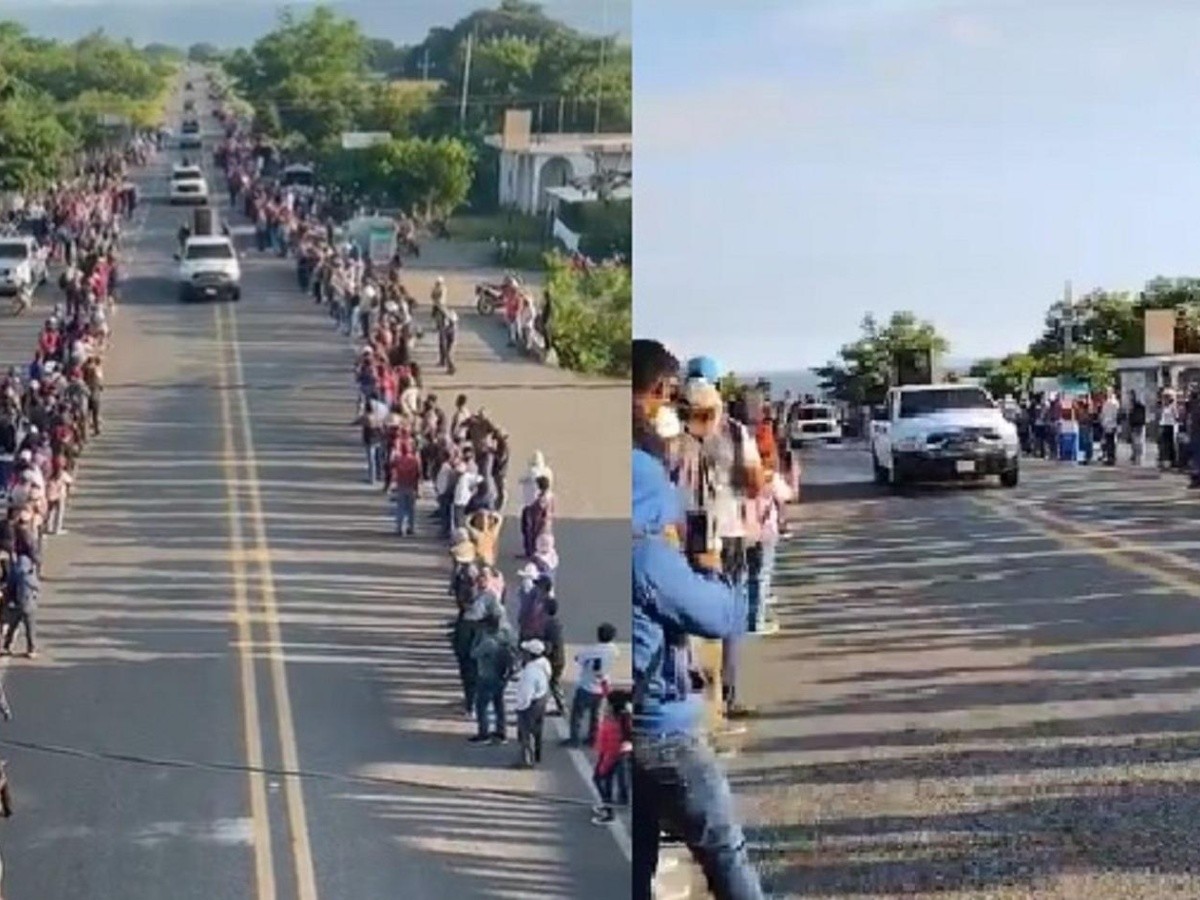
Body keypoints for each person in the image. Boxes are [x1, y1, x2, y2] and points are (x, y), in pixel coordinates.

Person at [630, 338, 763, 900]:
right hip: (661, 728)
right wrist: (710, 569)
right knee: (723, 849)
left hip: (621, 727)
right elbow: (722, 614)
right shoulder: (645, 548)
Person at [591, 687, 632, 825]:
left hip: (610, 757)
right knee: (603, 780)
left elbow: (612, 749)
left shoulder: (614, 723)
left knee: (601, 780)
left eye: (606, 703)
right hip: (608, 754)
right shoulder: (615, 717)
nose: (604, 705)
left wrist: (604, 765)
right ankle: (608, 805)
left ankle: (609, 812)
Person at [513, 638, 551, 768]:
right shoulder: (544, 663)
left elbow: (525, 695)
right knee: (537, 730)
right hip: (542, 698)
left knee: (526, 733)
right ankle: (537, 754)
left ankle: (527, 760)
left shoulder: (529, 672)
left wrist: (519, 708)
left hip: (531, 704)